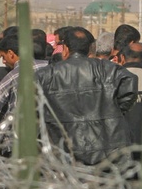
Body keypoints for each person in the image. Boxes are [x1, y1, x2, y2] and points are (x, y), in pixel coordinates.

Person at [36, 27, 136, 165]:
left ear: (65, 49)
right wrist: (113, 110)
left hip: (63, 156)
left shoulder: (45, 76)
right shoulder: (109, 69)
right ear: (91, 49)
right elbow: (130, 83)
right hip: (108, 155)